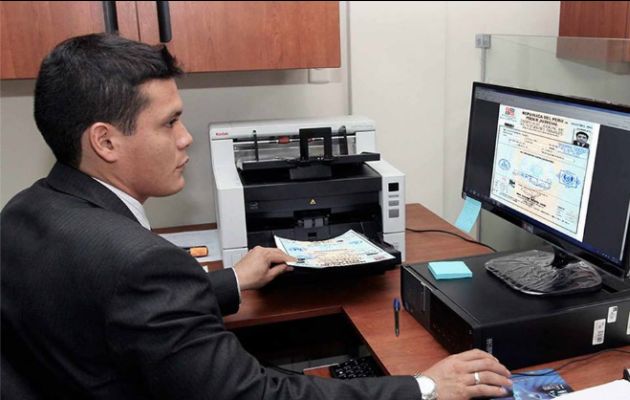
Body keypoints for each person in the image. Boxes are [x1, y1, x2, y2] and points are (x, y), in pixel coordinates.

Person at [1, 34, 512, 400]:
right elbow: (251, 392)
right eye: (170, 123)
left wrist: (232, 281)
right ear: (105, 141)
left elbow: (119, 308)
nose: (185, 139)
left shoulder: (24, 211)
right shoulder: (141, 263)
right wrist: (424, 386)